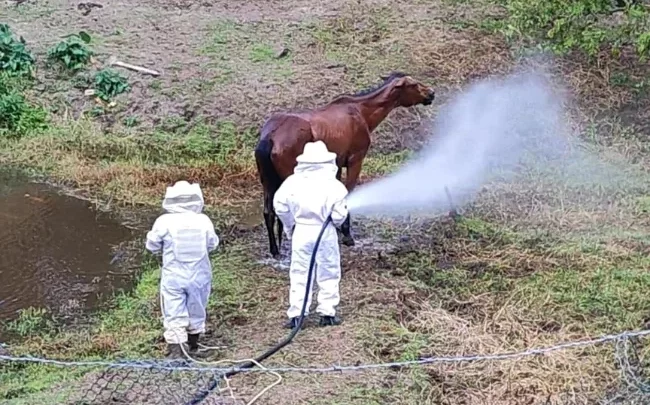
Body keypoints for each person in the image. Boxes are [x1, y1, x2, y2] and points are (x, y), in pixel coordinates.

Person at [273, 141, 349, 329]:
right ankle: (327, 313)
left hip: (302, 231)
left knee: (299, 272)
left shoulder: (291, 183)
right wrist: (334, 221)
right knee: (329, 271)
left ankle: (297, 315)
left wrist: (291, 226)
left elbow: (280, 207)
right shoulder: (335, 185)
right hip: (325, 232)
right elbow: (339, 216)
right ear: (327, 162)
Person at [145, 181, 219, 359]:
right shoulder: (203, 220)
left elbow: (152, 245)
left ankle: (177, 352)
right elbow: (213, 244)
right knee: (197, 307)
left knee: (173, 310)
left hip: (173, 275)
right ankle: (194, 345)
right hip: (200, 275)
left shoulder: (163, 221)